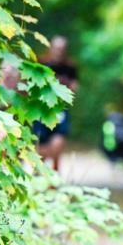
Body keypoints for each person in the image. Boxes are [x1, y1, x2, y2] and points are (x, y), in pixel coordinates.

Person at [34, 36, 79, 170]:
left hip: (60, 109)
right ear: (51, 48)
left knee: (59, 141)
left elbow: (74, 87)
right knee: (41, 146)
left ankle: (54, 173)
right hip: (42, 109)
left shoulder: (70, 67)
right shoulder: (41, 64)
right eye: (57, 48)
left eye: (63, 49)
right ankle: (40, 172)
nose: (60, 51)